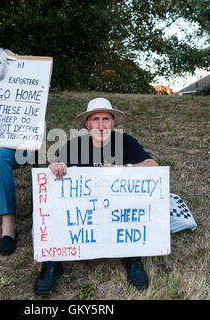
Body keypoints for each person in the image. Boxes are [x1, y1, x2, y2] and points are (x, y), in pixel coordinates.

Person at [33, 97, 158, 295]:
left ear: (113, 122)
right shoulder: (74, 146)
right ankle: (52, 262)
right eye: (96, 119)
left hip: (117, 209)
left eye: (106, 119)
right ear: (87, 124)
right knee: (47, 214)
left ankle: (132, 258)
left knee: (139, 211)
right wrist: (56, 168)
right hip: (85, 212)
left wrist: (124, 168)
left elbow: (153, 166)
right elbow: (55, 179)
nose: (101, 125)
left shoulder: (126, 142)